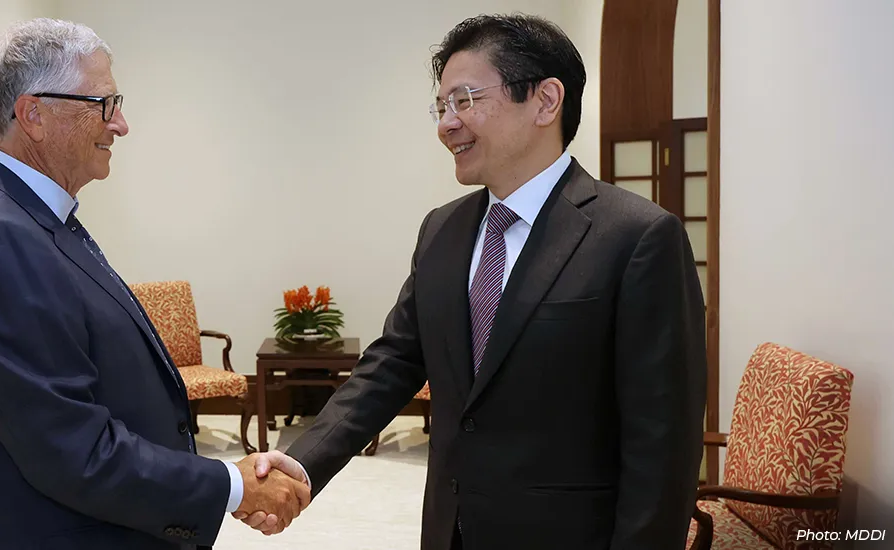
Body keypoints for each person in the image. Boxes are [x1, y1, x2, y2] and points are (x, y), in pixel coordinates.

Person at [240, 13, 707, 550]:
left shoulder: (638, 237)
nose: (446, 124)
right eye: (441, 106)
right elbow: (391, 363)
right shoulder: (443, 229)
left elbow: (663, 446)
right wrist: (302, 462)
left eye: (465, 99)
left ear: (545, 100)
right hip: (451, 530)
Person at [0, 18, 307, 549]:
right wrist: (231, 485)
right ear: (34, 113)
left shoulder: (36, 219)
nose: (120, 123)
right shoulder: (0, 241)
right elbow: (73, 451)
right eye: (103, 104)